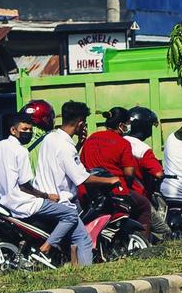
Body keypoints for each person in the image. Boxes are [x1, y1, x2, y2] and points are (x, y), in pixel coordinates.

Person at [0, 113, 92, 265]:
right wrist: (47, 195)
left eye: (30, 129)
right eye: (24, 129)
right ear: (13, 130)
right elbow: (25, 186)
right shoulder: (21, 152)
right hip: (25, 204)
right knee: (70, 214)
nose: (27, 132)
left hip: (3, 203)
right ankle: (48, 245)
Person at [34, 100, 119, 264]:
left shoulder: (51, 138)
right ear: (80, 123)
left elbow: (66, 164)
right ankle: (85, 277)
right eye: (84, 123)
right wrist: (110, 180)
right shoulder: (66, 146)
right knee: (84, 240)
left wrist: (79, 144)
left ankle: (70, 264)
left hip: (45, 198)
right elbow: (83, 178)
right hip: (62, 202)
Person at [80, 106, 154, 242]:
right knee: (144, 205)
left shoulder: (91, 138)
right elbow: (129, 173)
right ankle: (144, 243)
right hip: (114, 191)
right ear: (121, 125)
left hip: (88, 191)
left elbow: (82, 164)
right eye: (127, 124)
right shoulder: (123, 143)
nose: (128, 127)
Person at [124, 106, 170, 240]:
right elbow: (158, 173)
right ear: (144, 127)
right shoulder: (142, 149)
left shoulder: (120, 141)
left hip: (120, 193)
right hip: (138, 195)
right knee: (164, 231)